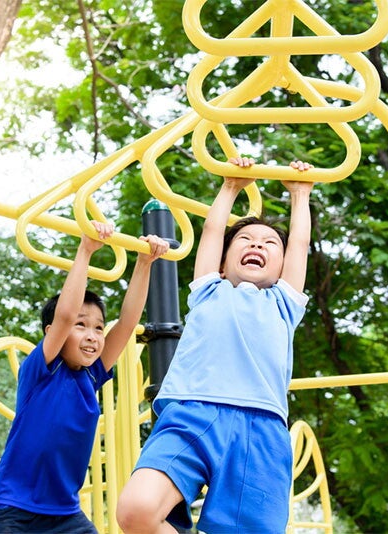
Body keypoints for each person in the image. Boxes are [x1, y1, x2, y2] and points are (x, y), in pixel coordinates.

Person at [116, 157, 314, 534]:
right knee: (136, 510)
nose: (257, 243)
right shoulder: (210, 290)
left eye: (270, 243)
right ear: (223, 263)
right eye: (245, 240)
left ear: (282, 265)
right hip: (192, 414)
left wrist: (300, 195)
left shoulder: (283, 303)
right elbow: (211, 231)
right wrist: (230, 186)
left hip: (260, 429)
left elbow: (300, 244)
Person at [0, 220, 170, 534]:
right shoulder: (40, 371)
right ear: (51, 334)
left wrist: (145, 264)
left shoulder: (90, 377)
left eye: (97, 327)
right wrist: (86, 250)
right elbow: (65, 315)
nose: (93, 335)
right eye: (82, 326)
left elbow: (126, 323)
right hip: (12, 512)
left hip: (65, 517)